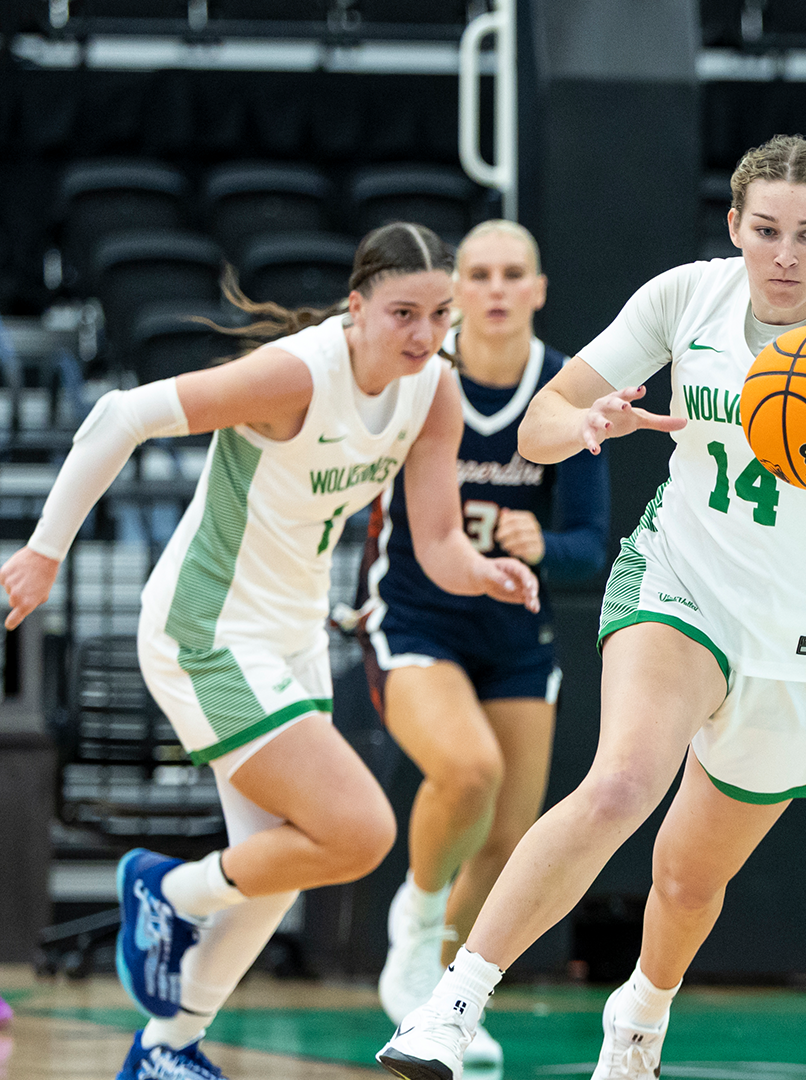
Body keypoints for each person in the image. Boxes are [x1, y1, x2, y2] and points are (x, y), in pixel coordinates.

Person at [376, 134, 806, 1080]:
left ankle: (640, 1022)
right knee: (619, 784)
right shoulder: (684, 295)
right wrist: (581, 423)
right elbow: (540, 421)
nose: (785, 255)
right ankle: (451, 1003)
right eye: (767, 230)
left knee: (691, 879)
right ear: (735, 225)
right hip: (680, 577)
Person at [0, 223, 539, 1080]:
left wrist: (483, 570)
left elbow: (436, 543)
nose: (425, 334)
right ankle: (165, 892)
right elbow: (120, 415)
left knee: (289, 857)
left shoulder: (434, 390)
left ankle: (166, 1049)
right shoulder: (298, 374)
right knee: (358, 831)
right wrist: (44, 549)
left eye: (441, 315)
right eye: (403, 313)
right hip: (205, 632)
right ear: (356, 307)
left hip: (290, 638)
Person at [363, 220, 610, 1068]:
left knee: (509, 837)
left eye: (514, 274)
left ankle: (438, 1002)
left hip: (516, 632)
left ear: (538, 290)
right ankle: (415, 930)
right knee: (469, 769)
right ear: (456, 290)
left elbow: (590, 543)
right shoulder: (420, 378)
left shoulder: (562, 390)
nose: (497, 289)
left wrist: (544, 545)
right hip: (414, 616)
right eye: (480, 274)